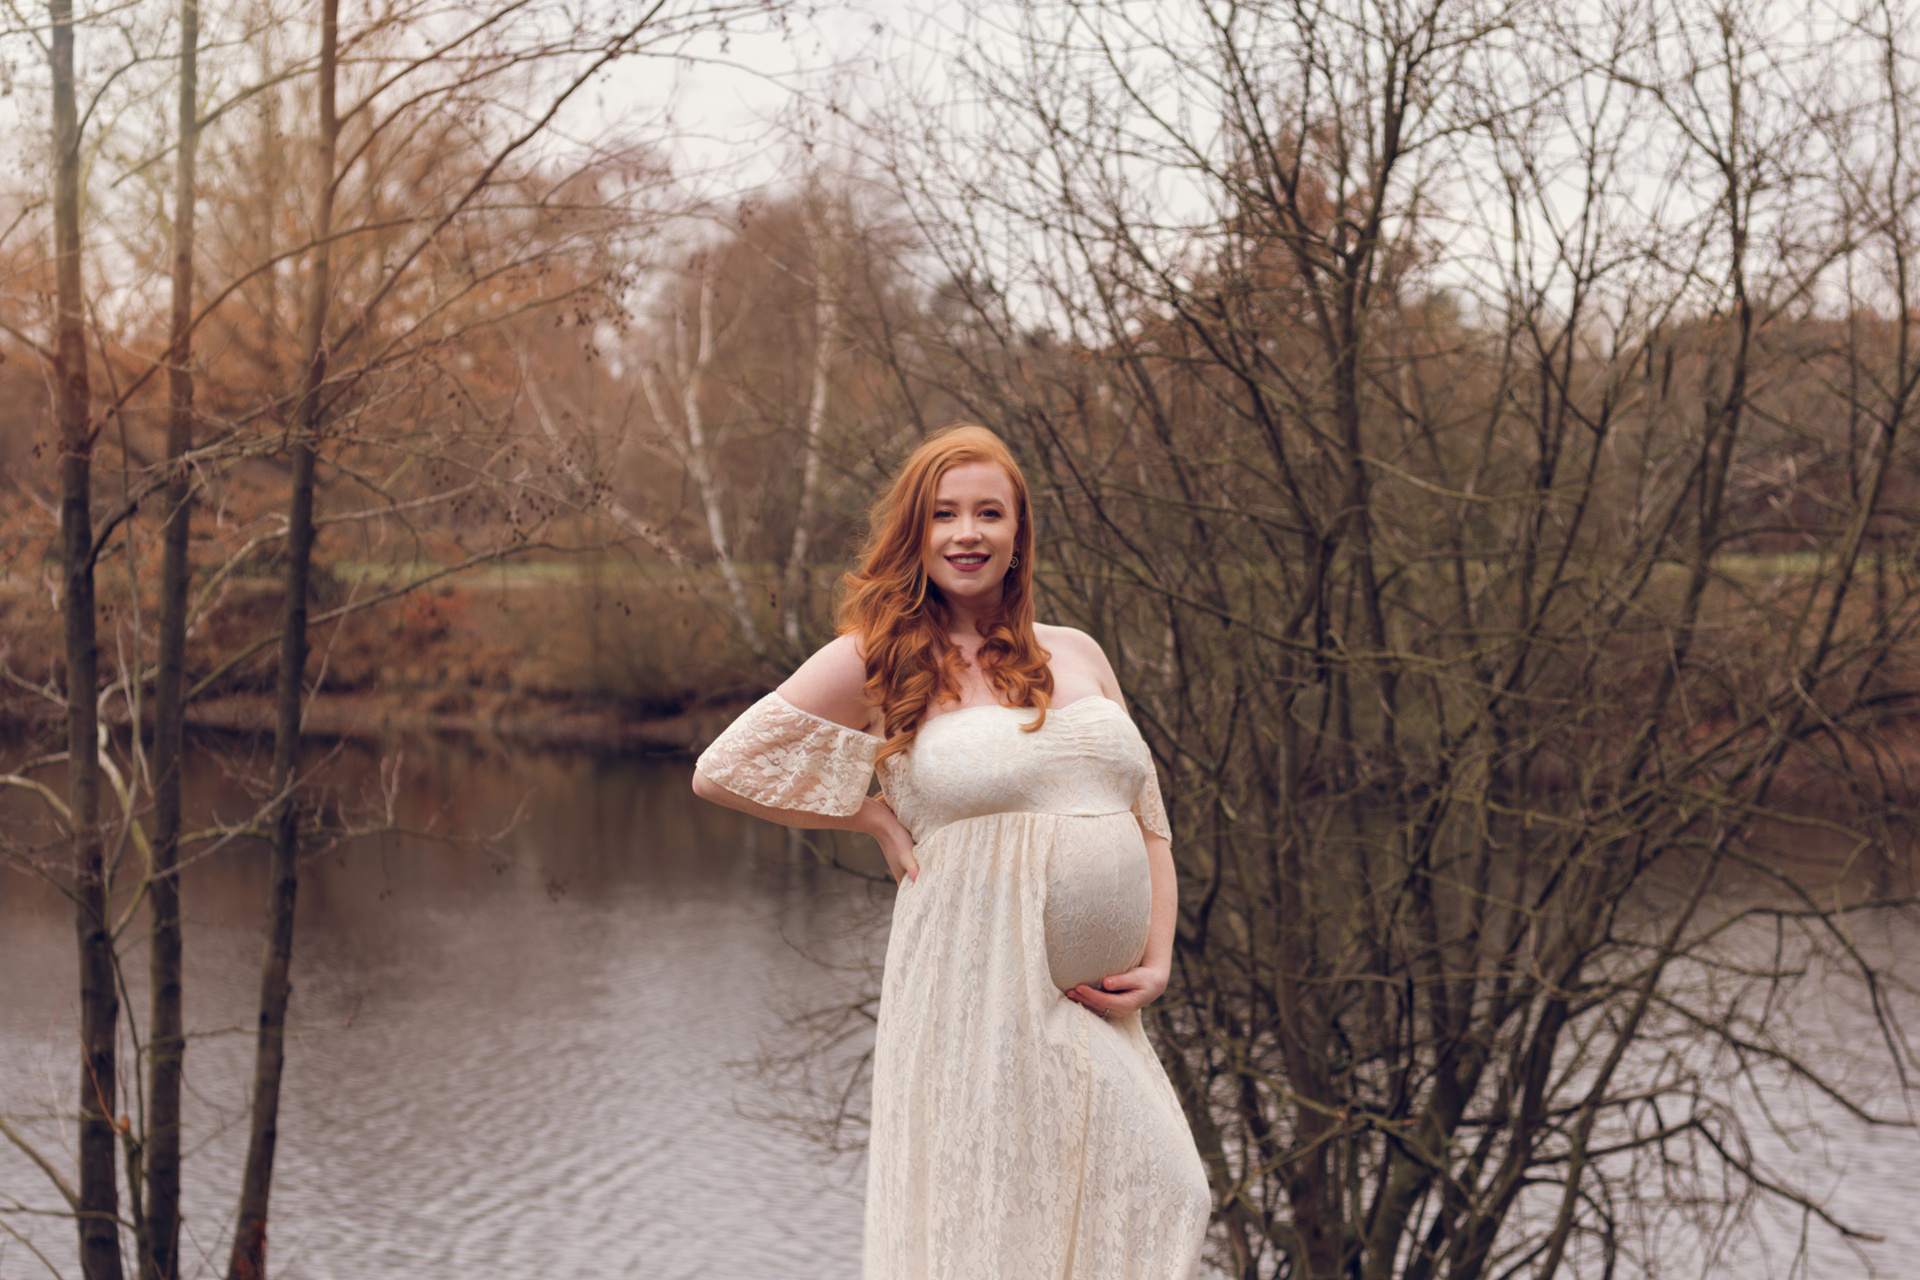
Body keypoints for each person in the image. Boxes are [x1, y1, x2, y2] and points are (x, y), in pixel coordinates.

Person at [691, 424, 1211, 1279]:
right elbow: (727, 767)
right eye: (944, 514)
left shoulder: (1078, 652)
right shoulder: (880, 658)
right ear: (917, 532)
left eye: (988, 513)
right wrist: (870, 817)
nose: (967, 533)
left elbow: (1148, 817)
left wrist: (1158, 959)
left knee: (1170, 1192)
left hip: (1097, 1006)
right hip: (977, 985)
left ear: (1019, 533)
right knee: (996, 1218)